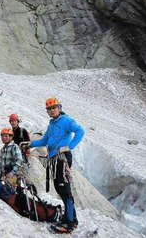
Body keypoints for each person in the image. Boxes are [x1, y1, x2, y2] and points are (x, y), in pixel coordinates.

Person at [28, 97, 84, 234]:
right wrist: (30, 144)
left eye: (54, 108)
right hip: (54, 159)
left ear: (59, 107)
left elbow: (80, 131)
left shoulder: (67, 121)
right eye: (49, 109)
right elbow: (45, 140)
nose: (52, 111)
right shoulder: (52, 124)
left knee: (64, 189)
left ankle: (69, 223)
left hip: (62, 158)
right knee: (61, 190)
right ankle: (71, 218)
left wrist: (69, 147)